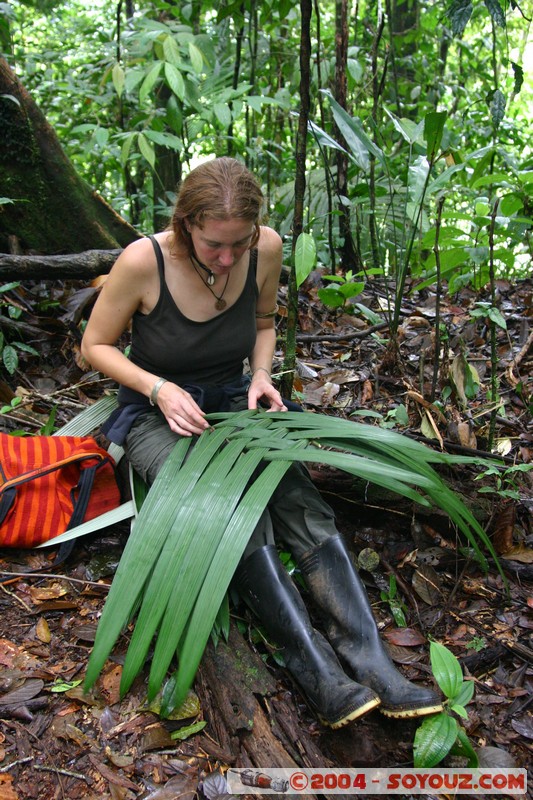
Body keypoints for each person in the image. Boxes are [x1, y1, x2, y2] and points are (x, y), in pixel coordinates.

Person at [81, 156, 441, 729]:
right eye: (212, 246)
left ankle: (371, 661)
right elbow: (94, 346)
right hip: (159, 414)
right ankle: (314, 667)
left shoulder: (267, 248)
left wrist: (260, 377)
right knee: (232, 515)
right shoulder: (142, 261)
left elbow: (266, 322)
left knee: (301, 504)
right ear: (184, 225)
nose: (227, 259)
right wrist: (160, 388)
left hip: (235, 400)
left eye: (238, 244)